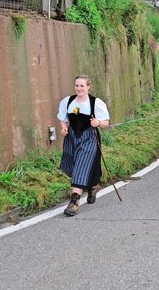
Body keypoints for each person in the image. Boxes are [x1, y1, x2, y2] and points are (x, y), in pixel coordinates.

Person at [57, 75, 110, 216]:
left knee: (82, 164)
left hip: (89, 138)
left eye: (82, 86)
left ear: (88, 87)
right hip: (72, 138)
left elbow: (106, 123)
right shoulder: (67, 102)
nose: (79, 88)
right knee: (72, 165)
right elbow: (63, 120)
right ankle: (93, 185)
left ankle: (74, 201)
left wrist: (97, 123)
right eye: (77, 85)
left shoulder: (95, 103)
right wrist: (63, 127)